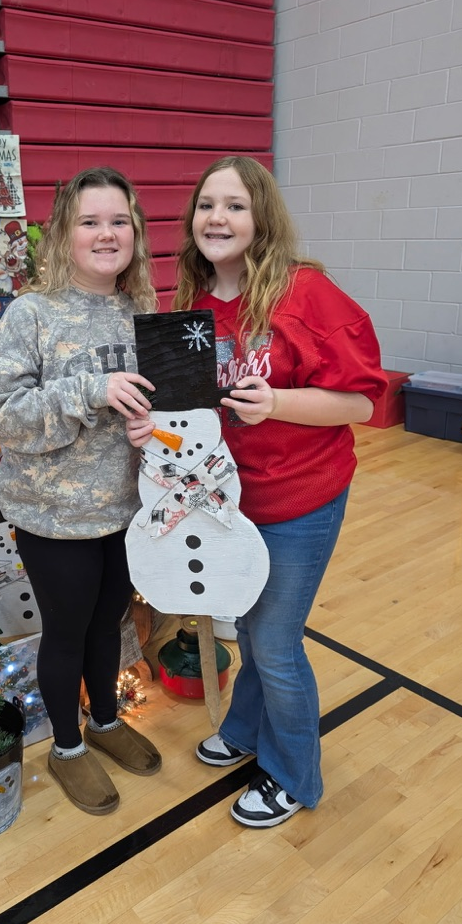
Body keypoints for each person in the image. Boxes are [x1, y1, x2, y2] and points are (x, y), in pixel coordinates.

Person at [127, 156, 387, 828]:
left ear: (261, 217)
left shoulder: (304, 292)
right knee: (244, 623)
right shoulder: (190, 301)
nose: (218, 217)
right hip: (227, 501)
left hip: (300, 500)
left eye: (235, 205)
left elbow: (360, 403)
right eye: (206, 204)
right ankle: (245, 729)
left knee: (273, 641)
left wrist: (274, 403)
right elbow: (188, 413)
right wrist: (149, 427)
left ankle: (293, 775)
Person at [0, 167, 162, 815]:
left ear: (134, 232)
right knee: (66, 630)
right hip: (55, 516)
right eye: (91, 221)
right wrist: (89, 390)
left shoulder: (140, 309)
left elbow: (163, 399)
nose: (106, 233)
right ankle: (67, 746)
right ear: (65, 232)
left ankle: (106, 722)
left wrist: (157, 426)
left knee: (110, 621)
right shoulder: (33, 312)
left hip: (124, 507)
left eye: (119, 221)